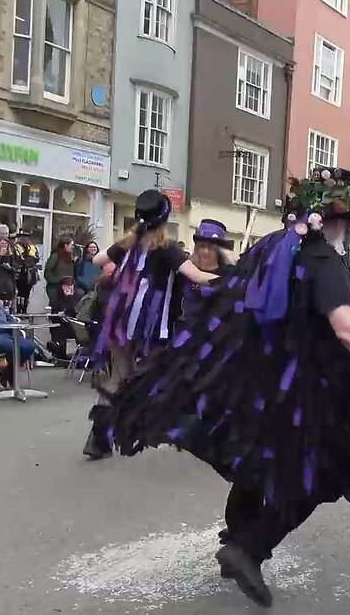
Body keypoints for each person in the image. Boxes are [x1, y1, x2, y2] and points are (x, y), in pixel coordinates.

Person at [94, 171, 350, 608]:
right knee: (323, 473)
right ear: (335, 221)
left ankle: (239, 529)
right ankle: (248, 547)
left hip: (263, 381)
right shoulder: (321, 259)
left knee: (258, 456)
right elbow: (346, 329)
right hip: (303, 390)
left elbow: (231, 294)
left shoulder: (272, 248)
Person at [82, 190, 220, 460]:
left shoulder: (130, 243)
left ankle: (99, 438)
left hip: (120, 320)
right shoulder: (166, 249)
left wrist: (118, 249)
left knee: (118, 378)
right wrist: (234, 279)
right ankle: (163, 428)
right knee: (160, 377)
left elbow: (97, 260)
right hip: (147, 326)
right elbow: (198, 277)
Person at [47, 276, 80, 360]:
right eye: (67, 285)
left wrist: (69, 298)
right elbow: (53, 311)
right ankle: (59, 349)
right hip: (59, 321)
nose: (69, 288)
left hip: (73, 321)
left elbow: (76, 310)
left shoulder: (78, 295)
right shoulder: (56, 296)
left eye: (71, 285)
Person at [44, 237, 76, 306]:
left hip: (67, 286)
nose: (73, 247)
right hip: (55, 286)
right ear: (65, 245)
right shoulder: (55, 256)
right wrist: (57, 280)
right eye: (71, 245)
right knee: (55, 305)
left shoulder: (71, 257)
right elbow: (48, 271)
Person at [12, 233, 39, 313]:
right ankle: (19, 309)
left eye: (26, 238)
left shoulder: (32, 247)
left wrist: (30, 259)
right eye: (22, 238)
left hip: (30, 273)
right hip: (21, 274)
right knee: (20, 293)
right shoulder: (16, 247)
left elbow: (36, 259)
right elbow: (18, 259)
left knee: (27, 293)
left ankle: (24, 310)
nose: (25, 240)